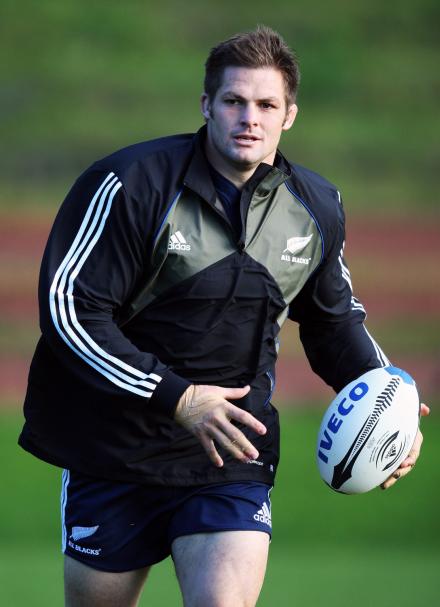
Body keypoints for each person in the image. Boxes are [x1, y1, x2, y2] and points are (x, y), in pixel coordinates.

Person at [19, 26, 428, 607]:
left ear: (289, 115)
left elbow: (333, 323)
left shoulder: (315, 207)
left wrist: (393, 405)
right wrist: (180, 398)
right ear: (206, 104)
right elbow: (69, 311)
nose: (249, 119)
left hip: (232, 454)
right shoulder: (132, 185)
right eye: (234, 101)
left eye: (266, 105)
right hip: (114, 451)